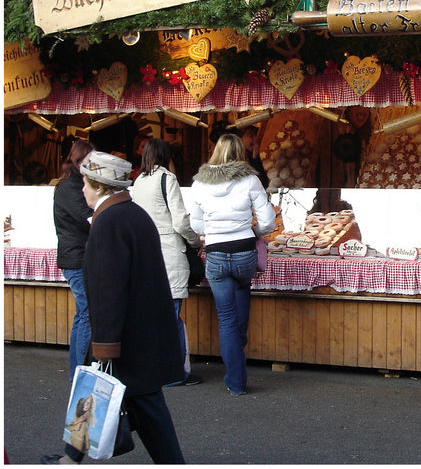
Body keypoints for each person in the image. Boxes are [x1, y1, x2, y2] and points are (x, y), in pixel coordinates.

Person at [42, 151, 185, 464]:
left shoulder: (109, 222)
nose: (82, 190)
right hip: (139, 333)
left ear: (99, 186)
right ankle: (72, 457)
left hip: (125, 337)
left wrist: (104, 345)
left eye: (86, 184)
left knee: (141, 404)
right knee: (111, 397)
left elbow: (108, 291)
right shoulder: (133, 214)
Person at [187, 133, 275, 396]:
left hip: (215, 253)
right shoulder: (250, 179)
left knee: (226, 319)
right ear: (240, 153)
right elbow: (268, 221)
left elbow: (195, 224)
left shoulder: (199, 184)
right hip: (244, 252)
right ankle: (238, 365)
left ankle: (236, 381)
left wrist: (212, 232)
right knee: (240, 312)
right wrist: (255, 233)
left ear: (215, 151)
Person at [130, 138, 203, 386]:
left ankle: (152, 368)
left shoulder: (138, 182)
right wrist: (195, 241)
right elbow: (180, 221)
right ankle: (173, 373)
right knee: (170, 316)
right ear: (166, 156)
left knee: (153, 315)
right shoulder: (167, 179)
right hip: (169, 253)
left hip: (146, 253)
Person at [52, 139, 96, 379]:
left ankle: (78, 369)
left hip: (77, 255)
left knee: (84, 311)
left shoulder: (71, 183)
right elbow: (86, 217)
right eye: (90, 160)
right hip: (76, 257)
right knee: (86, 311)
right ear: (80, 160)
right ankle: (79, 370)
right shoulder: (71, 186)